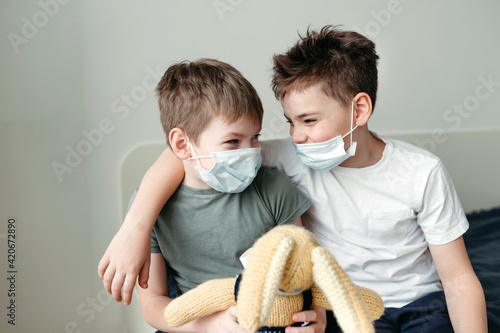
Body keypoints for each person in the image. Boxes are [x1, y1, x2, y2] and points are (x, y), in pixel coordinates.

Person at [99, 26, 487, 332]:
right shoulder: (281, 156)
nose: (296, 135)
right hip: (339, 307)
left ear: (360, 109)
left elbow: (458, 281)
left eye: (310, 120)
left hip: (420, 303)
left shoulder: (422, 172)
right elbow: (188, 156)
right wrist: (135, 226)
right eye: (289, 121)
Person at [117, 58, 328, 333]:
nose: (250, 151)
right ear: (182, 144)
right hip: (195, 324)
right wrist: (210, 326)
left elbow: (305, 273)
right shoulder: (152, 208)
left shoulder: (274, 189)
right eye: (232, 141)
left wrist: (319, 316)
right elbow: (154, 304)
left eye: (255, 137)